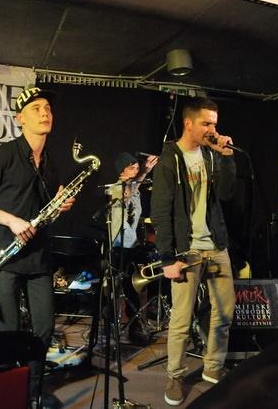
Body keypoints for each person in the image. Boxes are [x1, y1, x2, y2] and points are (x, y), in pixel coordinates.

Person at [0, 86, 75, 401]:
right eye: (36, 108)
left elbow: (44, 213)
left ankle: (31, 390)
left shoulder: (50, 162)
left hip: (38, 257)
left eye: (47, 108)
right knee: (8, 330)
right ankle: (6, 392)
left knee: (44, 327)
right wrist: (11, 220)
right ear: (19, 118)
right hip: (5, 257)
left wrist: (59, 205)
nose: (44, 113)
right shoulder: (3, 155)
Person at [151, 97, 237, 406]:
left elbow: (226, 194)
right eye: (206, 123)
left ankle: (213, 367)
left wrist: (226, 157)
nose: (212, 129)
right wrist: (167, 258)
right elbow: (160, 212)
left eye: (215, 123)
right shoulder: (169, 161)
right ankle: (175, 375)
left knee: (224, 311)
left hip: (216, 245)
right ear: (188, 123)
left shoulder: (211, 156)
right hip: (186, 250)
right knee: (182, 318)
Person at [108, 151, 158, 344]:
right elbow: (124, 199)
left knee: (135, 286)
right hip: (119, 246)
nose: (136, 169)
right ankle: (125, 325)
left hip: (132, 244)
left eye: (137, 166)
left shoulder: (134, 189)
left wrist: (146, 170)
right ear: (122, 170)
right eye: (132, 167)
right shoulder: (115, 189)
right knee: (125, 287)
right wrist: (142, 174)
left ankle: (136, 326)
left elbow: (134, 188)